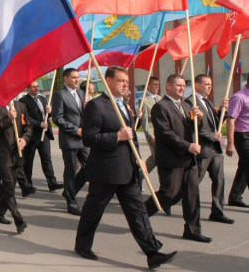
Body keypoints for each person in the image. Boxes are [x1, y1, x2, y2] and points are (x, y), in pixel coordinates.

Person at [75, 66, 176, 270]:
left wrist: (139, 159)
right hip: (106, 171)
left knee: (138, 212)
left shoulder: (126, 106)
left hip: (128, 170)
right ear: (109, 81)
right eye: (121, 80)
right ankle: (82, 245)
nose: (125, 85)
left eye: (126, 81)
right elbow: (88, 137)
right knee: (93, 211)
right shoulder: (97, 105)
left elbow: (132, 138)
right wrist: (116, 137)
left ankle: (152, 252)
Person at [144, 74, 212, 243]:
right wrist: (186, 146)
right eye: (178, 85)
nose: (182, 88)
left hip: (189, 159)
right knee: (168, 193)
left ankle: (192, 229)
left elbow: (195, 130)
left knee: (191, 195)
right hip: (172, 159)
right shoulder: (160, 107)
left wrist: (200, 119)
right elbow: (166, 134)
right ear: (168, 86)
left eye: (184, 85)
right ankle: (139, 215)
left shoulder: (186, 105)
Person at [185, 74, 234, 224]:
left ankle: (218, 211)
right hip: (203, 148)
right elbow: (193, 128)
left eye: (210, 84)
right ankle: (169, 200)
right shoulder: (190, 103)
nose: (209, 87)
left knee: (219, 180)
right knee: (194, 181)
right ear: (197, 85)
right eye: (206, 84)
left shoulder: (208, 102)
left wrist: (222, 111)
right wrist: (212, 136)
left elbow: (216, 123)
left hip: (215, 150)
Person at [0, 101, 32, 234]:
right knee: (9, 187)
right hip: (2, 154)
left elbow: (28, 126)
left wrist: (25, 139)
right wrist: (8, 118)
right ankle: (19, 220)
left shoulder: (21, 105)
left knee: (9, 186)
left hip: (17, 153)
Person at [51, 68, 89, 215]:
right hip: (70, 139)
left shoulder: (81, 94)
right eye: (73, 77)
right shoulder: (60, 95)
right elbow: (57, 118)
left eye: (78, 77)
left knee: (90, 166)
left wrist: (88, 108)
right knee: (71, 170)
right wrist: (75, 130)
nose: (76, 80)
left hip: (83, 139)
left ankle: (69, 191)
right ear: (66, 78)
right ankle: (72, 202)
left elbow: (85, 115)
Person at [19, 81, 63, 192]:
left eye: (37, 86)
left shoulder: (43, 99)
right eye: (33, 87)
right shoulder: (23, 101)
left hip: (44, 135)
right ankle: (27, 184)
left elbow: (47, 115)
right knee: (28, 161)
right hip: (31, 135)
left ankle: (52, 182)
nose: (36, 88)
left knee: (47, 159)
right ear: (28, 88)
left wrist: (50, 112)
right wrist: (39, 123)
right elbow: (25, 118)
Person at [225, 81, 249, 208]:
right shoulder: (239, 97)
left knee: (245, 167)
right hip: (242, 136)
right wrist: (230, 143)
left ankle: (235, 196)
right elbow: (230, 120)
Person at [140, 76, 161, 174]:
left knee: (159, 159)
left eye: (158, 85)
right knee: (156, 158)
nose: (157, 87)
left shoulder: (160, 99)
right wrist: (150, 136)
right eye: (154, 85)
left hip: (162, 133)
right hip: (153, 134)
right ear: (148, 86)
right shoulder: (144, 100)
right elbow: (144, 122)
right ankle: (138, 177)